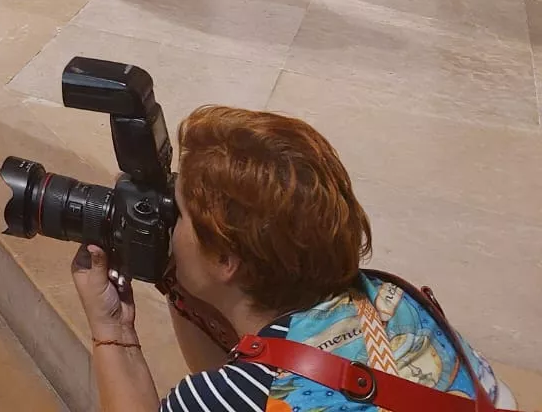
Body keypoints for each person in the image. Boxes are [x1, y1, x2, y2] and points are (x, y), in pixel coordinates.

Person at [71, 105, 517, 412]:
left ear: (227, 259)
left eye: (179, 212)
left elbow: (234, 388)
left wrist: (110, 330)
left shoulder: (225, 397)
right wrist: (174, 278)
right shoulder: (392, 302)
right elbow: (243, 369)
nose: (168, 219)